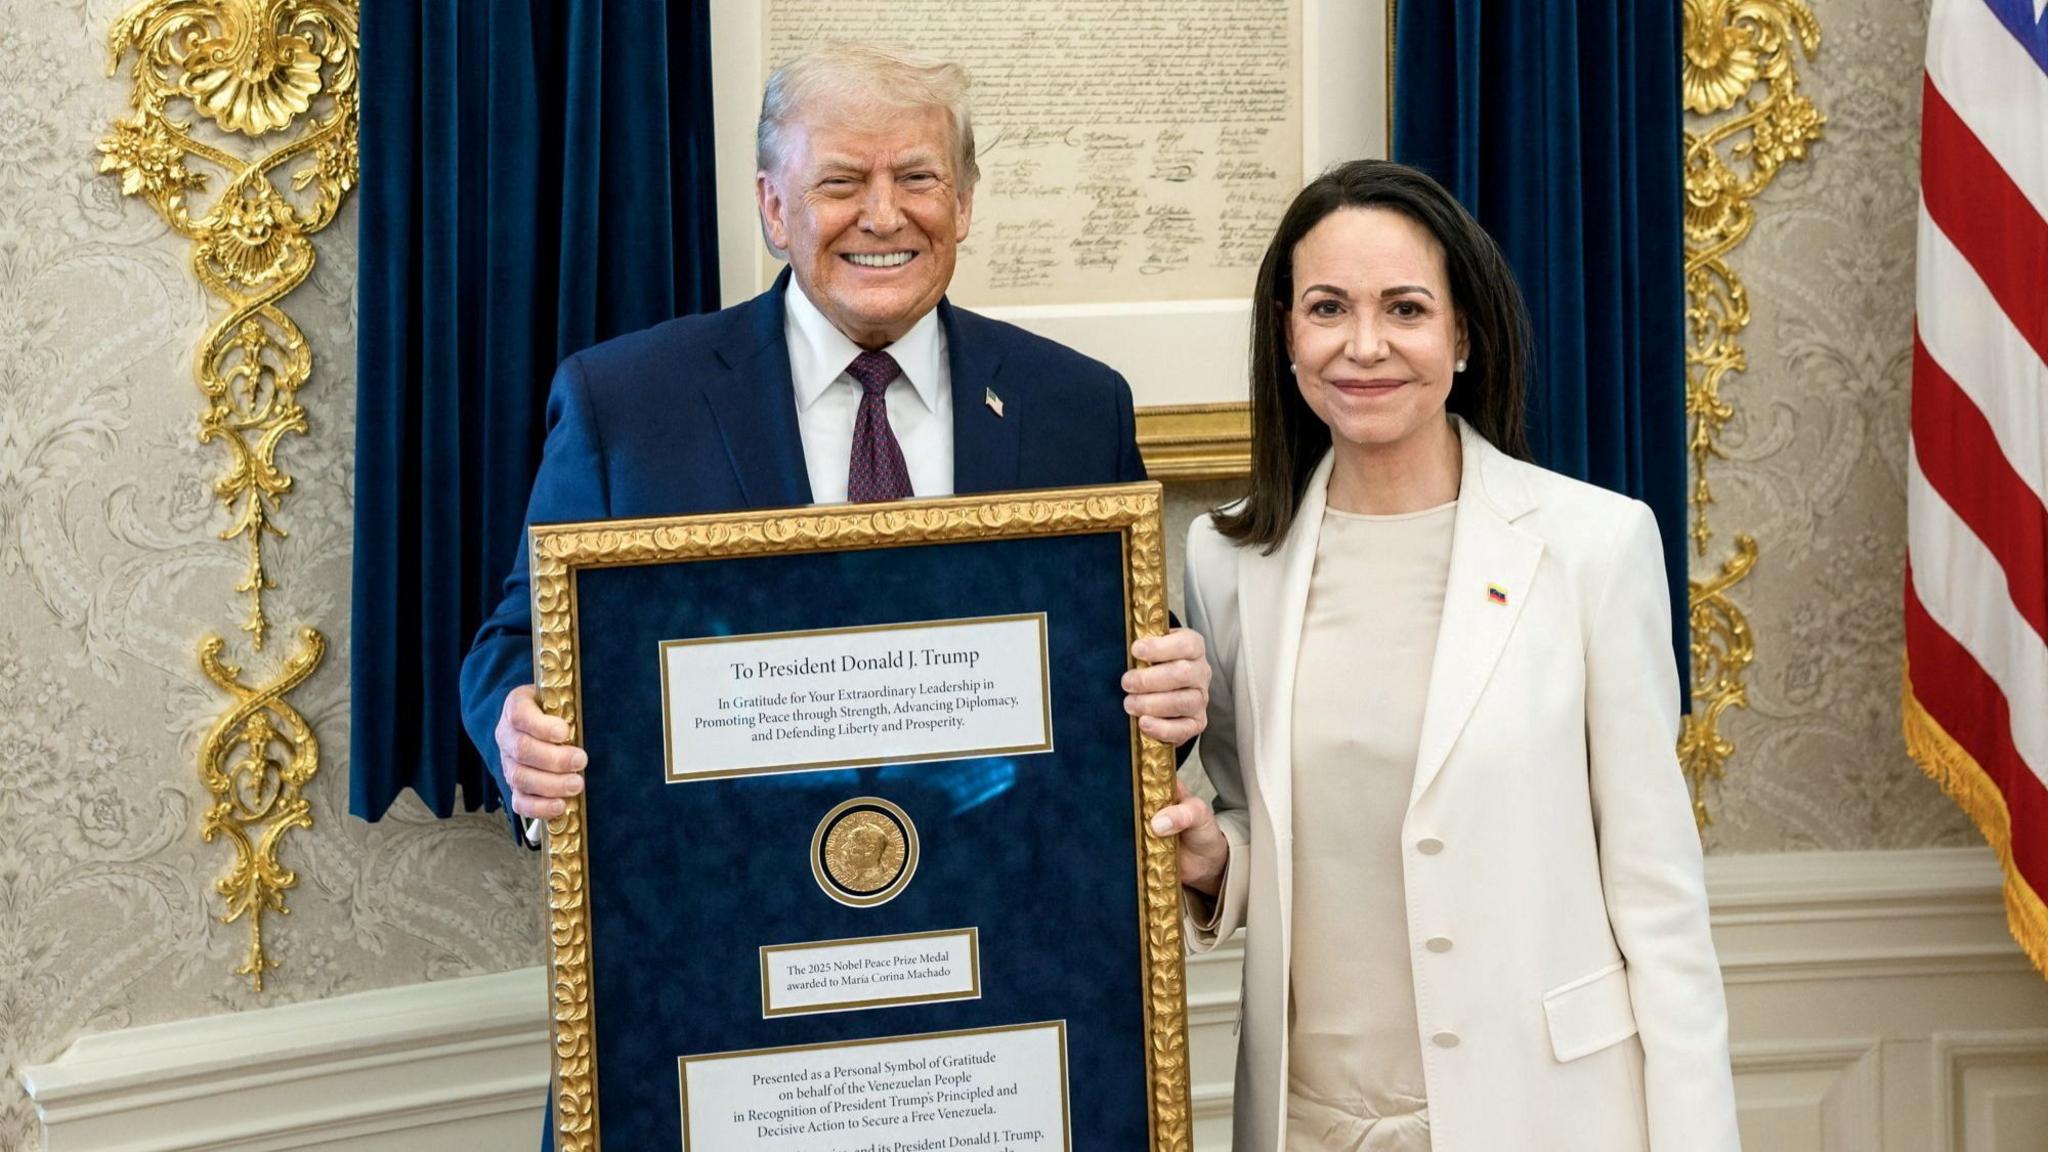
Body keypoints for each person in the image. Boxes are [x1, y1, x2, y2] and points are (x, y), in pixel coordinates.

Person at [459, 43, 1211, 847]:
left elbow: (1120, 655)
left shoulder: (1076, 405)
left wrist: (1170, 695)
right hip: (724, 881)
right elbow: (524, 640)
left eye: (917, 178)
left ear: (963, 203)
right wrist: (523, 734)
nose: (883, 216)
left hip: (1001, 879)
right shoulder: (625, 404)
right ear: (775, 208)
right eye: (841, 183)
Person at [1147, 160, 1739, 1151]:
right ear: (1286, 334)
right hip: (1305, 1119)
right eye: (1327, 308)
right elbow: (1266, 817)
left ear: (1462, 335)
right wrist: (1217, 863)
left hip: (1544, 1116)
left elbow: (1658, 894)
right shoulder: (1228, 558)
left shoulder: (1594, 546)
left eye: (1405, 309)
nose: (1363, 345)